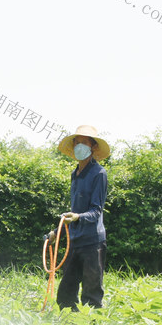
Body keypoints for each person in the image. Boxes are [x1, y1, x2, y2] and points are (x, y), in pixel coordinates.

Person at [51, 125, 110, 310]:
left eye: (84, 143)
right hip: (74, 240)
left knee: (91, 293)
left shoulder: (99, 174)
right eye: (77, 143)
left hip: (92, 242)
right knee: (66, 292)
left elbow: (95, 211)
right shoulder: (75, 175)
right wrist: (56, 232)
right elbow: (74, 210)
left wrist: (77, 217)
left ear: (92, 146)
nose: (80, 146)